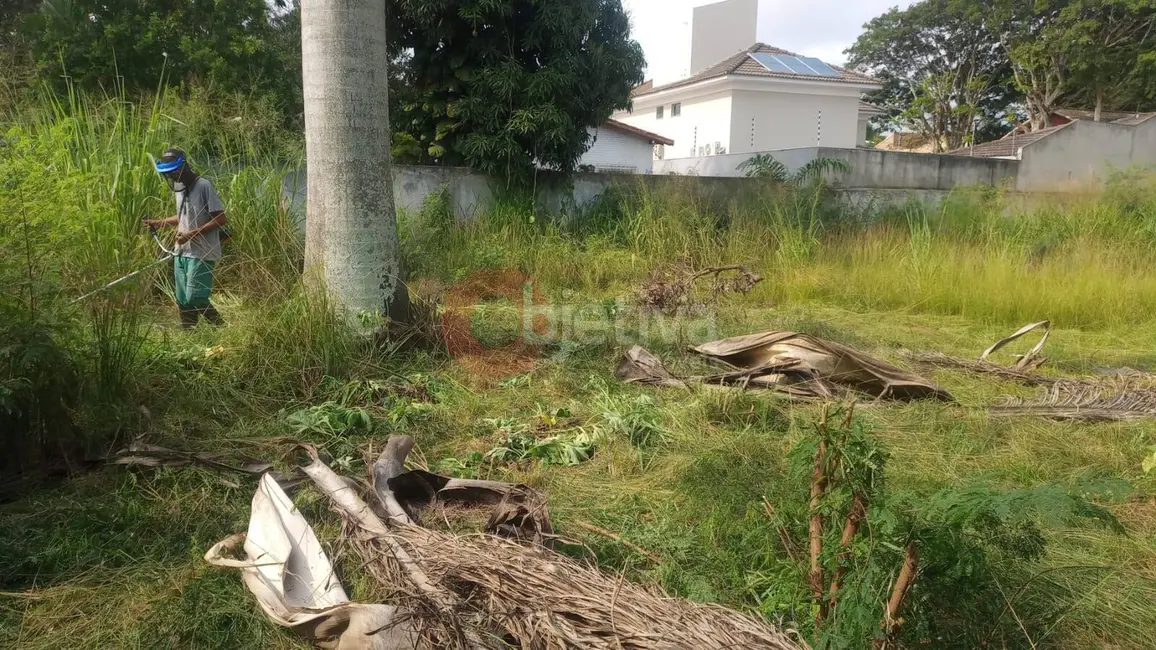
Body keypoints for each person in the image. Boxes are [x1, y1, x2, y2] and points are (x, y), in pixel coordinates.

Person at [144, 148, 228, 328]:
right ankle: (190, 334)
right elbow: (184, 216)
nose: (172, 177)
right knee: (182, 298)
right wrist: (161, 222)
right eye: (169, 174)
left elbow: (220, 218)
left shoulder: (203, 185)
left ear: (184, 167)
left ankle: (221, 328)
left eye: (174, 172)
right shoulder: (179, 190)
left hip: (202, 252)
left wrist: (191, 234)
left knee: (195, 297)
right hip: (182, 251)